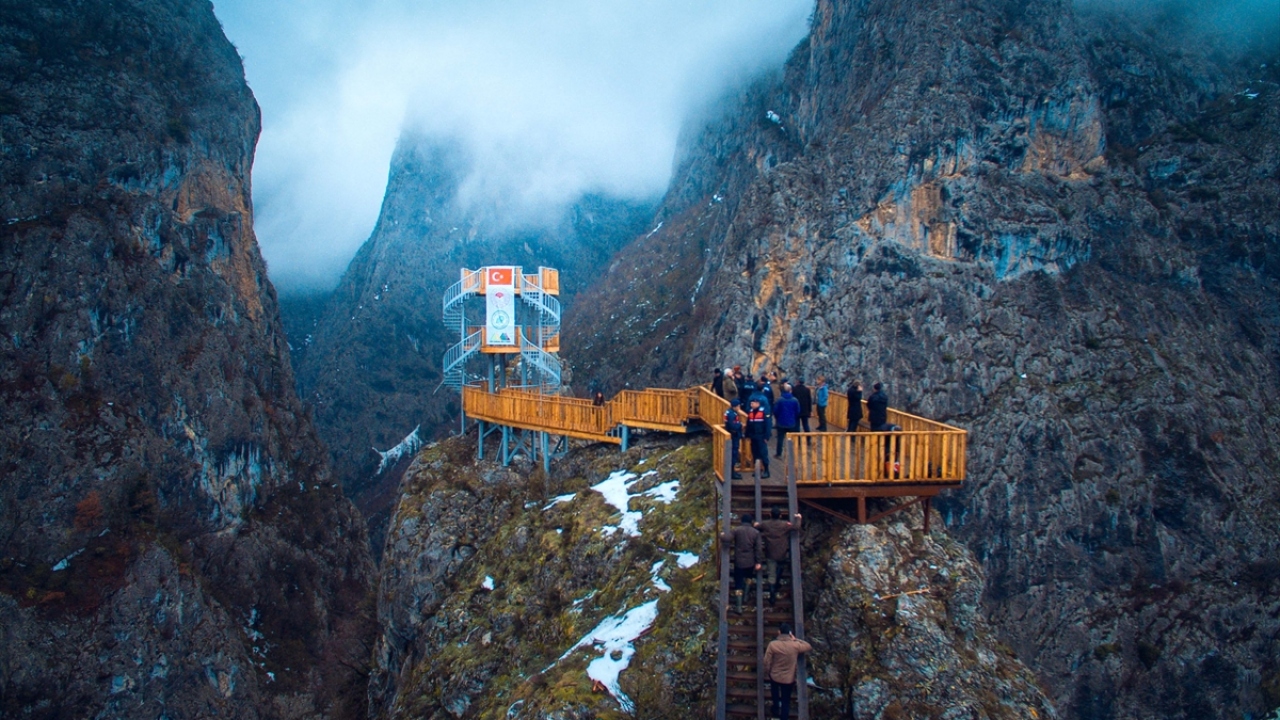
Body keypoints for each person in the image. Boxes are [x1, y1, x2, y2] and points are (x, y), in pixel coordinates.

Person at [763, 623, 812, 720]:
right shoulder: (795, 646)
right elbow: (808, 646)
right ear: (790, 633)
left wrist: (768, 671)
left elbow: (766, 661)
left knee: (775, 694)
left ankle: (775, 708)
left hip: (775, 676)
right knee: (786, 700)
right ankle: (784, 717)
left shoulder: (773, 645)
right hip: (788, 679)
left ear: (779, 632)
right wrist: (795, 639)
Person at [755, 507, 802, 605]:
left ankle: (772, 596)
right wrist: (798, 518)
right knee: (780, 569)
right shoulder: (784, 525)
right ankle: (777, 584)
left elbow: (757, 526)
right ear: (780, 516)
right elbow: (796, 527)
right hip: (782, 553)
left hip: (770, 553)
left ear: (770, 515)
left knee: (771, 574)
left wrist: (755, 524)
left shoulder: (766, 524)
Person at [720, 513, 762, 614]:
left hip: (739, 561)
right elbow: (758, 549)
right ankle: (746, 596)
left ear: (742, 521)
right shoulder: (756, 533)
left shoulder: (737, 530)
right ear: (751, 522)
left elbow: (727, 539)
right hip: (750, 560)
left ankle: (738, 607)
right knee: (749, 577)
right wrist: (758, 561)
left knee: (738, 582)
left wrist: (721, 535)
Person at [744, 397, 772, 479]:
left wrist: (766, 436)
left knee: (763, 453)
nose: (751, 405)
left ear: (758, 404)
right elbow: (748, 424)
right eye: (751, 403)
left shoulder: (764, 412)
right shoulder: (750, 412)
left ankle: (766, 470)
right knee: (755, 453)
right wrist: (747, 434)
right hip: (753, 436)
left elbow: (768, 425)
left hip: (761, 436)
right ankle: (757, 469)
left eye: (753, 403)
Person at [772, 384, 801, 459]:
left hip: (781, 422)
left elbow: (775, 411)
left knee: (780, 439)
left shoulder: (779, 400)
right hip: (791, 423)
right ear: (790, 390)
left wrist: (778, 418)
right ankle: (791, 453)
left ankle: (779, 453)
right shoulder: (795, 400)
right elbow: (798, 411)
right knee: (790, 439)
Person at [724, 398, 744, 480]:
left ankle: (732, 471)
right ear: (735, 406)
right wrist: (740, 425)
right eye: (738, 406)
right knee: (733, 454)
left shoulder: (728, 412)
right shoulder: (732, 414)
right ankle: (732, 473)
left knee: (733, 454)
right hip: (734, 436)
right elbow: (733, 426)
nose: (739, 408)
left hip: (732, 435)